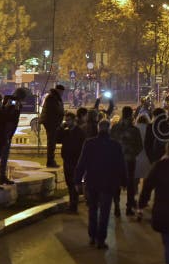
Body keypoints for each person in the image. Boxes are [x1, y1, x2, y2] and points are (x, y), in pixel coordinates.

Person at [74, 119, 127, 249]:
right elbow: (121, 165)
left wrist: (77, 181)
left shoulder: (89, 143)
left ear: (98, 129)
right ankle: (101, 239)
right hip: (108, 183)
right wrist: (124, 181)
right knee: (105, 212)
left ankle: (92, 236)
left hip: (92, 182)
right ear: (109, 129)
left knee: (92, 210)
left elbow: (82, 162)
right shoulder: (115, 145)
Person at [110, 106, 144, 217]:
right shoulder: (134, 130)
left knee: (116, 183)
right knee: (130, 184)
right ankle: (129, 207)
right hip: (130, 160)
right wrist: (132, 153)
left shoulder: (115, 128)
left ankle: (116, 205)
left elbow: (110, 143)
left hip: (116, 160)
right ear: (131, 115)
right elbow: (139, 146)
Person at [56, 112, 86, 214]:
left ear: (74, 120)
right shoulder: (66, 132)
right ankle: (72, 204)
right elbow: (57, 139)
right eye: (66, 120)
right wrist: (61, 127)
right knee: (69, 183)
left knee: (74, 183)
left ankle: (73, 206)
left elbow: (82, 147)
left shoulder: (80, 132)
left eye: (69, 120)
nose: (67, 122)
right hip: (67, 160)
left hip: (75, 161)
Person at [0, 88, 26, 185]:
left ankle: (2, 176)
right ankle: (0, 176)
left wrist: (17, 109)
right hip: (5, 133)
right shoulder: (7, 102)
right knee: (1, 156)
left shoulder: (17, 104)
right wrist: (7, 106)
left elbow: (14, 118)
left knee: (4, 156)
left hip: (9, 133)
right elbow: (5, 117)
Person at [39, 84, 65, 168]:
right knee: (51, 142)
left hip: (53, 123)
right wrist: (61, 114)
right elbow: (53, 111)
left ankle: (51, 160)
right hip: (51, 123)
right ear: (59, 91)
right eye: (62, 92)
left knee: (52, 142)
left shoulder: (55, 97)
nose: (62, 94)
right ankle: (50, 161)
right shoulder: (52, 97)